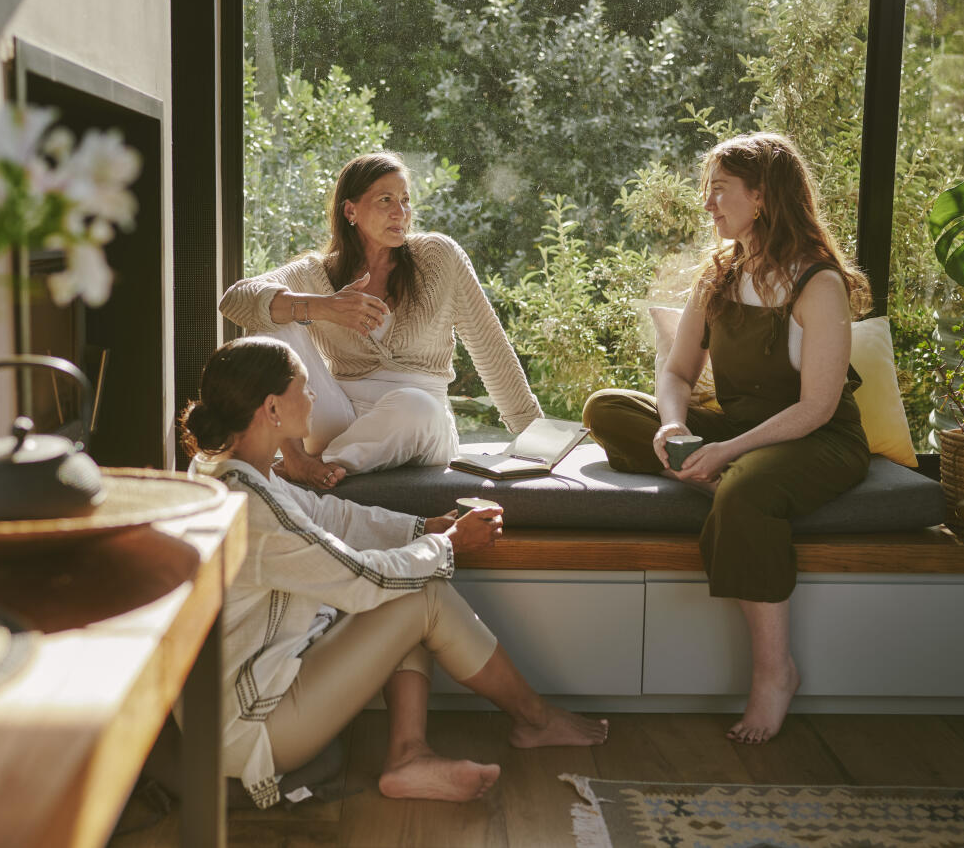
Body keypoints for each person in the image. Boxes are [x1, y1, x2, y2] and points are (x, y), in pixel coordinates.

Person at [180, 336, 607, 809]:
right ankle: (533, 718)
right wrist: (446, 544)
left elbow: (329, 516)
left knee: (413, 579)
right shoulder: (252, 509)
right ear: (273, 408)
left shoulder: (229, 471)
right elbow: (369, 580)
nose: (314, 396)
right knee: (417, 592)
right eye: (304, 387)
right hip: (246, 727)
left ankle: (411, 756)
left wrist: (423, 527)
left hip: (234, 694)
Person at [583, 133, 871, 745]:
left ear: (761, 197)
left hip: (816, 438)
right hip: (742, 430)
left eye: (720, 191)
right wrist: (672, 425)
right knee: (607, 409)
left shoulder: (818, 284)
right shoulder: (718, 273)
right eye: (707, 191)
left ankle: (774, 673)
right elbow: (677, 373)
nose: (708, 205)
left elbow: (818, 407)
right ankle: (714, 475)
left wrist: (729, 452)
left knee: (743, 493)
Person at [219, 151, 542, 489]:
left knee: (415, 406)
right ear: (350, 211)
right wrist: (323, 307)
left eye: (405, 200)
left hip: (419, 422)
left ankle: (313, 467)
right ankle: (296, 457)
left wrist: (533, 434)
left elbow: (490, 346)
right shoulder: (318, 273)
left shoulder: (438, 256)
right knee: (273, 316)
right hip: (339, 414)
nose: (399, 212)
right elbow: (237, 300)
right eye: (385, 199)